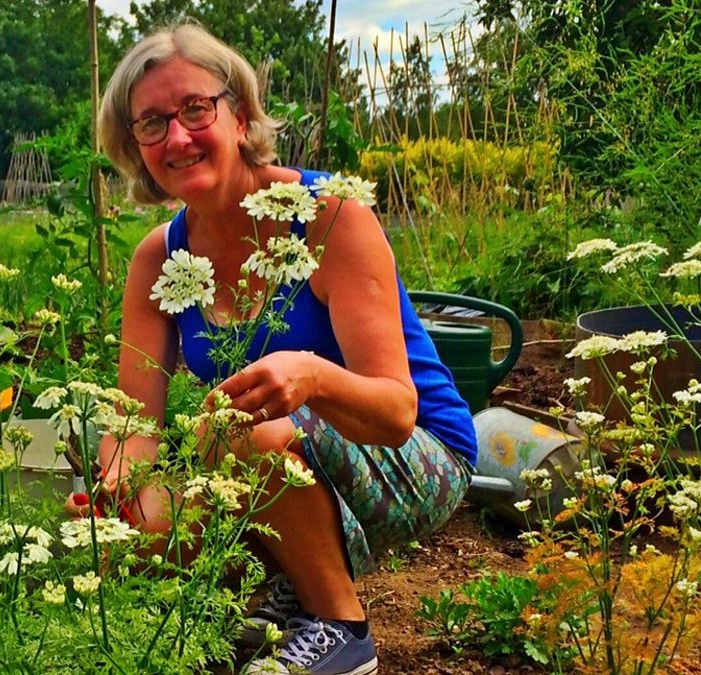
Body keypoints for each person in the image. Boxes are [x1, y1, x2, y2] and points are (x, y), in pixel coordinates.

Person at [94, 23, 477, 675]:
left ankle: (340, 629)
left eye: (195, 109)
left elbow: (396, 412)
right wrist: (116, 497)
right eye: (152, 123)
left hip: (416, 456)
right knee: (144, 538)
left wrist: (311, 375)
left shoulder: (329, 215)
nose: (177, 137)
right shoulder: (158, 257)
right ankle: (286, 590)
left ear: (240, 116)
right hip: (274, 452)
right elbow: (135, 424)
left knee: (240, 429)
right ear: (135, 146)